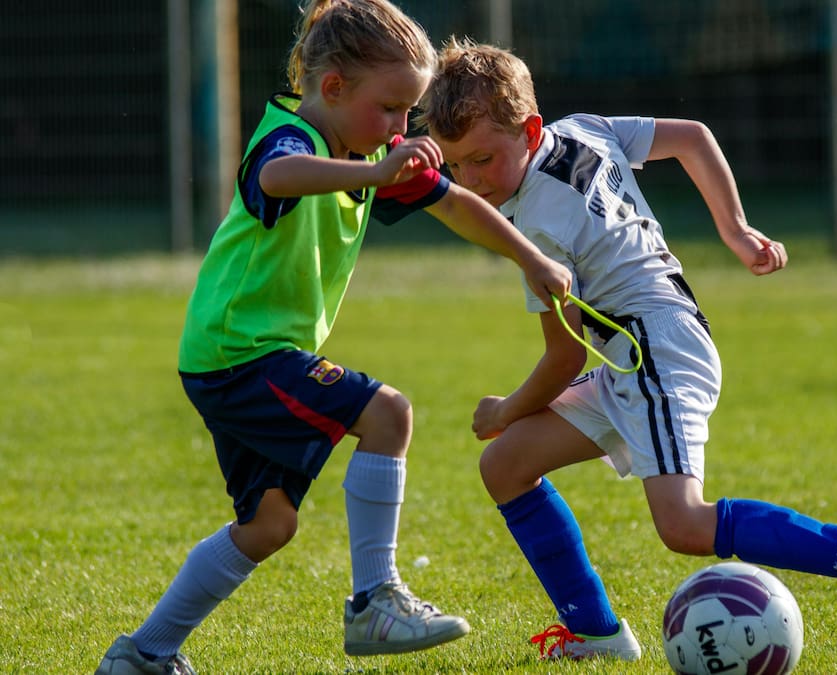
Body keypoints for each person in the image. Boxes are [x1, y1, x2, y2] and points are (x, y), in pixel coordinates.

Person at [418, 38, 837, 661]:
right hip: (644, 345)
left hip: (650, 348)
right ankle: (595, 632)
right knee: (505, 466)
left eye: (483, 160)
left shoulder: (541, 227)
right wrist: (734, 229)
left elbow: (564, 359)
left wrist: (505, 410)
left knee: (683, 524)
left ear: (528, 130)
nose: (470, 181)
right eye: (456, 167)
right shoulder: (582, 130)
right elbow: (691, 137)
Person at [95, 4, 572, 674]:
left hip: (229, 359)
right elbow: (273, 178)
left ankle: (144, 653)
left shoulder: (366, 150)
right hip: (242, 354)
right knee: (389, 412)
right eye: (391, 109)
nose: (402, 129)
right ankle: (376, 599)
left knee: (269, 526)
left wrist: (529, 257)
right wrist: (376, 175)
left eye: (410, 113)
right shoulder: (292, 138)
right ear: (334, 88)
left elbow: (457, 203)